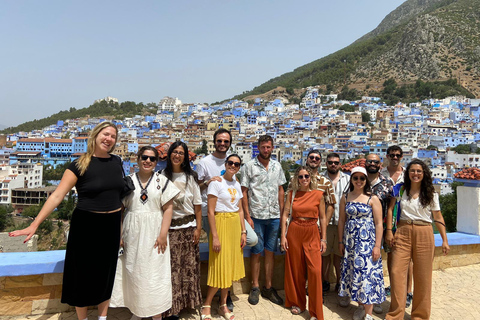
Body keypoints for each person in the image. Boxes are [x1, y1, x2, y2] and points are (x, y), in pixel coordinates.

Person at [9, 121, 123, 320]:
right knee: (82, 274)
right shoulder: (80, 164)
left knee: (106, 272)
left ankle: (103, 317)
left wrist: (120, 232)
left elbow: (118, 199)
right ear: (95, 135)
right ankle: (83, 318)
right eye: (105, 134)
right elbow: (57, 196)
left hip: (111, 225)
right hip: (87, 225)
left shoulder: (117, 162)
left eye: (113, 136)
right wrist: (34, 224)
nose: (109, 139)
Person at [110, 146, 180, 319]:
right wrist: (119, 236)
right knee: (134, 273)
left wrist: (163, 234)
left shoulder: (162, 182)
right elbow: (119, 210)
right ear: (138, 158)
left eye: (152, 159)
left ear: (156, 162)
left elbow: (168, 209)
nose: (148, 161)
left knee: (154, 275)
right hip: (132, 234)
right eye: (144, 157)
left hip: (155, 234)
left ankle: (156, 314)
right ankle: (137, 311)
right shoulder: (127, 181)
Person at [196, 128, 257, 310]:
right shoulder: (204, 162)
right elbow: (195, 187)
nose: (222, 143)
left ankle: (225, 294)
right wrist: (209, 182)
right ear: (214, 141)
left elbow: (236, 193)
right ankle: (221, 298)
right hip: (212, 212)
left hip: (231, 214)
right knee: (220, 255)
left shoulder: (233, 162)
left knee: (250, 240)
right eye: (220, 140)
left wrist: (245, 218)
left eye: (226, 141)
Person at [385, 159, 450, 320]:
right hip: (403, 231)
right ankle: (395, 314)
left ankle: (419, 316)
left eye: (419, 171)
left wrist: (444, 239)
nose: (415, 174)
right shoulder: (400, 190)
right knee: (396, 272)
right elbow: (391, 209)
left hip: (424, 232)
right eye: (412, 171)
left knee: (423, 276)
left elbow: (438, 216)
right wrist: (388, 231)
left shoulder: (431, 193)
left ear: (424, 173)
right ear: (408, 173)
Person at [241, 135, 286, 306]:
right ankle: (255, 286)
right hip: (256, 216)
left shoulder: (277, 166)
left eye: (268, 147)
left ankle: (268, 286)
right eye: (263, 147)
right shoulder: (249, 166)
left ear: (272, 148)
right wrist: (247, 215)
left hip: (274, 216)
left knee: (270, 252)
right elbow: (243, 191)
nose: (266, 150)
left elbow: (280, 189)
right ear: (258, 147)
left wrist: (282, 214)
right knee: (256, 252)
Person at [201, 154, 247, 320]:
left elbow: (240, 209)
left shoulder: (236, 183)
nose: (233, 166)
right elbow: (211, 212)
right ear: (226, 164)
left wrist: (243, 231)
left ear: (239, 167)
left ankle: (223, 304)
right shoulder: (216, 182)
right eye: (230, 163)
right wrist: (215, 236)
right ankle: (207, 304)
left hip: (234, 225)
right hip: (221, 224)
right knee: (219, 265)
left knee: (229, 266)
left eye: (236, 164)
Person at [161, 142, 203, 319]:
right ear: (170, 155)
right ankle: (172, 308)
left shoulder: (190, 177)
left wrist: (198, 228)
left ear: (185, 157)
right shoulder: (162, 176)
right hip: (170, 230)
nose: (177, 155)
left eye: (181, 153)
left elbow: (197, 205)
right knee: (171, 270)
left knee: (188, 268)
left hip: (188, 228)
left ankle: (186, 303)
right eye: (175, 152)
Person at [338, 167, 385, 320]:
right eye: (355, 178)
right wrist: (341, 241)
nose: (359, 181)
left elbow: (379, 224)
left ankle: (369, 314)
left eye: (362, 178)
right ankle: (360, 307)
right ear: (351, 180)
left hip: (367, 244)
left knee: (367, 275)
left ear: (366, 180)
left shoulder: (373, 199)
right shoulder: (345, 197)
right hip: (351, 244)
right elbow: (341, 221)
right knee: (355, 274)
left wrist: (377, 246)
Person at [281, 166, 327, 320]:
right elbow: (285, 214)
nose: (304, 179)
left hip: (312, 231)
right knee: (296, 270)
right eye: (300, 177)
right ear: (296, 179)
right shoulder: (292, 194)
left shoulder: (319, 194)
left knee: (315, 271)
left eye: (306, 176)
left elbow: (323, 218)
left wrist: (323, 238)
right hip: (294, 231)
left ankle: (315, 311)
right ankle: (298, 303)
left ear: (311, 177)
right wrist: (283, 236)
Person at [381, 145, 413, 306]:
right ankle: (393, 285)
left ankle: (408, 291)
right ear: (387, 156)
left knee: (407, 258)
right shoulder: (381, 174)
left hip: (404, 219)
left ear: (402, 157)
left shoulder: (408, 174)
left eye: (397, 155)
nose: (395, 157)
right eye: (392, 155)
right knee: (390, 254)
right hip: (386, 220)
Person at [365, 153, 393, 314]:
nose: (372, 164)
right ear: (365, 163)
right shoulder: (358, 180)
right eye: (370, 161)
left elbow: (391, 208)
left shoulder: (387, 183)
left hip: (379, 229)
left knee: (376, 266)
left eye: (375, 161)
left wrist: (389, 230)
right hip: (360, 230)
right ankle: (363, 300)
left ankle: (375, 299)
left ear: (380, 164)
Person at [321, 153, 350, 301]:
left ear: (340, 164)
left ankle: (339, 283)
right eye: (330, 162)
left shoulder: (348, 179)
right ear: (326, 163)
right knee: (324, 255)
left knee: (339, 255)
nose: (333, 164)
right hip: (326, 221)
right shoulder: (320, 179)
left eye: (336, 162)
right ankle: (325, 282)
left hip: (342, 221)